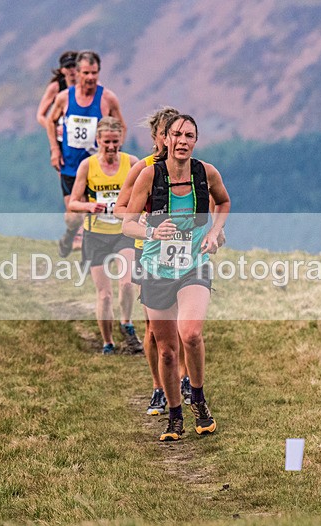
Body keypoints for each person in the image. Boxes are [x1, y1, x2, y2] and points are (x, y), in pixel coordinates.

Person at [122, 114, 230, 441]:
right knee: (166, 350)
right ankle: (174, 414)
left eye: (190, 136)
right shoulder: (148, 175)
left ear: (195, 141)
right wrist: (153, 231)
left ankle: (197, 398)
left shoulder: (206, 172)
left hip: (193, 264)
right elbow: (127, 223)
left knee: (192, 334)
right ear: (165, 139)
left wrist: (214, 232)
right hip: (156, 268)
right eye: (177, 135)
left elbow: (223, 202)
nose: (183, 141)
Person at [114, 106, 190, 416]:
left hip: (183, 251)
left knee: (185, 321)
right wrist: (149, 223)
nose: (171, 140)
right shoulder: (143, 169)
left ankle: (184, 379)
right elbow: (121, 209)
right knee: (153, 328)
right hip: (148, 250)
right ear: (156, 136)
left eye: (177, 133)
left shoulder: (189, 168)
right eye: (165, 134)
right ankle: (159, 386)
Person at [68, 117, 143, 355]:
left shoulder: (132, 163)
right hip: (96, 235)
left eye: (115, 142)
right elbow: (73, 202)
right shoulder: (87, 166)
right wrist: (89, 207)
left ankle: (127, 322)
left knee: (128, 282)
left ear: (121, 139)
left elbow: (146, 192)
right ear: (98, 140)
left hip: (123, 232)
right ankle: (107, 342)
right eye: (106, 142)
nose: (111, 147)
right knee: (104, 294)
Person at [45, 51, 125, 258]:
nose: (90, 77)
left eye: (95, 73)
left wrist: (114, 153)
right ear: (77, 73)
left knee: (94, 211)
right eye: (86, 73)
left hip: (96, 167)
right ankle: (71, 235)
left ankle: (90, 258)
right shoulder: (64, 98)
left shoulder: (107, 98)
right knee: (73, 216)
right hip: (70, 165)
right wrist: (55, 149)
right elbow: (50, 121)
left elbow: (121, 126)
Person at [35, 50, 77, 130]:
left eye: (74, 65)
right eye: (68, 67)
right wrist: (55, 130)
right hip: (62, 135)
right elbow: (40, 116)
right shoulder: (55, 87)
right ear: (62, 70)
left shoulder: (89, 86)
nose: (71, 70)